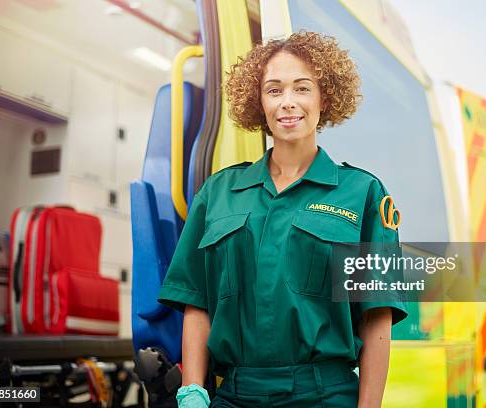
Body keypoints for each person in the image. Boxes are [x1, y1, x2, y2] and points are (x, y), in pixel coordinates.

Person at [158, 30, 407, 407]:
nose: (288, 103)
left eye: (302, 88)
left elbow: (376, 317)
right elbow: (197, 303)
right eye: (274, 90)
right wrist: (192, 388)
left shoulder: (363, 194)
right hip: (235, 394)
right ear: (259, 103)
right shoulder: (218, 193)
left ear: (325, 97)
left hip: (324, 395)